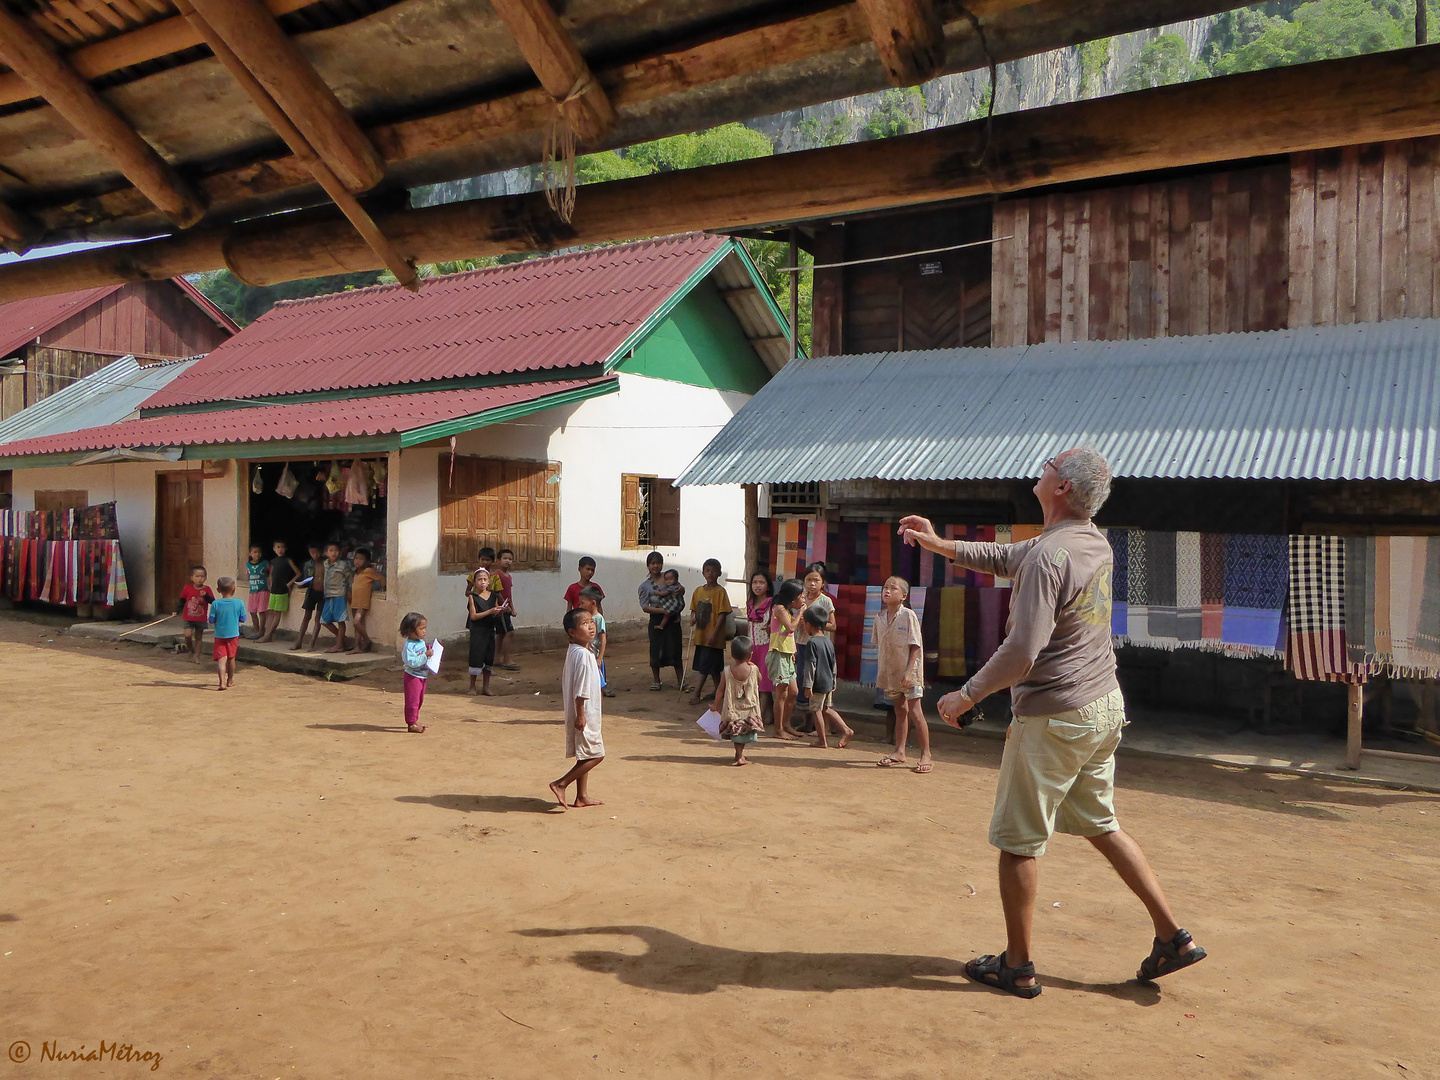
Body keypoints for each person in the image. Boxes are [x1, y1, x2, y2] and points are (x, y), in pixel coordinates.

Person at [900, 447, 1207, 998]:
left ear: (1061, 486)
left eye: (1048, 465)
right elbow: (1006, 558)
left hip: (1056, 714)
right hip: (1102, 706)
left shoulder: (1048, 557)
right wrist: (939, 542)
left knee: (1018, 841)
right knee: (1101, 824)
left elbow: (1022, 652)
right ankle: (1173, 937)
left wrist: (964, 697)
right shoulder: (1089, 542)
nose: (1039, 470)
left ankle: (1017, 966)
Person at [873, 575, 934, 773]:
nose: (887, 591)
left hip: (910, 672)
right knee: (900, 710)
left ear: (904, 596)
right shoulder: (879, 618)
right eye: (885, 587)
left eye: (893, 588)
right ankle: (900, 751)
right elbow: (880, 645)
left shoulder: (908, 616)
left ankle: (926, 754)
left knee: (916, 711)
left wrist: (909, 672)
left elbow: (916, 646)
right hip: (891, 673)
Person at [549, 608, 605, 810]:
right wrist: (581, 715)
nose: (591, 626)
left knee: (585, 754)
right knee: (597, 754)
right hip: (585, 711)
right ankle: (561, 783)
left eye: (592, 622)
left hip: (585, 710)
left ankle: (581, 796)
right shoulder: (582, 655)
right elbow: (581, 688)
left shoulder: (577, 650)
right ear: (572, 632)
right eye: (584, 623)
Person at [796, 604, 853, 749]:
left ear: (808, 625)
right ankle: (846, 729)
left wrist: (808, 685)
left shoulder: (812, 643)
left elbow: (810, 665)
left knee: (816, 710)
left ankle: (822, 741)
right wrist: (833, 682)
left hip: (817, 683)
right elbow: (833, 663)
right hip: (827, 681)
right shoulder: (828, 642)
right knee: (826, 708)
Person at [792, 565, 835, 731]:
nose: (812, 583)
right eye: (808, 579)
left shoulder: (826, 601)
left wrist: (815, 624)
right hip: (802, 644)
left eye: (816, 580)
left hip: (819, 647)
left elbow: (833, 625)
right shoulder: (801, 599)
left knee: (818, 685)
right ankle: (808, 723)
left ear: (823, 582)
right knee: (804, 683)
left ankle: (825, 726)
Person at [687, 558, 732, 706]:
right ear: (703, 573)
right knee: (713, 667)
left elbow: (722, 614)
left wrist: (714, 632)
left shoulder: (720, 592)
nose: (710, 573)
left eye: (713, 570)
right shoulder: (698, 591)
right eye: (707, 570)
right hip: (701, 635)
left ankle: (696, 693)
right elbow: (693, 609)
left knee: (705, 666)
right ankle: (720, 691)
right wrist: (693, 618)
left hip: (714, 637)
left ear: (719, 573)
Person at [638, 552, 685, 692]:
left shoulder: (670, 577)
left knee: (676, 648)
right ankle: (656, 680)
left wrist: (682, 590)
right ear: (648, 566)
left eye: (658, 563)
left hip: (673, 618)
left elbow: (680, 591)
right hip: (657, 618)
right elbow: (645, 607)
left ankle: (680, 681)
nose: (655, 566)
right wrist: (662, 611)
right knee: (656, 648)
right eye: (652, 563)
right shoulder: (644, 586)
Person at [767, 578, 806, 740]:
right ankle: (778, 729)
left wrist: (794, 651)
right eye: (802, 597)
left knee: (793, 692)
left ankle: (787, 724)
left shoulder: (788, 611)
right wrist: (801, 613)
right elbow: (790, 628)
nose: (803, 600)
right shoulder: (780, 609)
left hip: (788, 654)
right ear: (793, 597)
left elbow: (789, 634)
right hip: (779, 654)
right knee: (781, 693)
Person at [715, 636, 764, 765]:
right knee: (743, 733)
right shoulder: (754, 669)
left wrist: (715, 705)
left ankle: (739, 754)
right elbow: (759, 679)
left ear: (732, 654)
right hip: (749, 708)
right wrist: (754, 667)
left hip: (733, 709)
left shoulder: (727, 671)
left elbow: (720, 690)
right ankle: (740, 755)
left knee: (737, 733)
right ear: (751, 655)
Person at [466, 570, 504, 697]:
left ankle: (486, 687)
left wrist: (499, 611)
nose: (482, 582)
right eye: (479, 579)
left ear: (489, 582)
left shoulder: (493, 596)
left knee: (488, 657)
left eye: (484, 579)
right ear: (475, 582)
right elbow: (473, 616)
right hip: (478, 631)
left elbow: (495, 611)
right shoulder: (472, 597)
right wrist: (490, 611)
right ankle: (472, 686)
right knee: (476, 657)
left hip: (489, 630)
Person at [746, 571, 776, 730]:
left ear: (767, 585)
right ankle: (768, 713)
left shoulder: (772, 603)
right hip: (752, 646)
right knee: (754, 683)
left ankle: (759, 717)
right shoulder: (750, 603)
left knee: (764, 685)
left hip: (765, 645)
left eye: (761, 582)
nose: (758, 586)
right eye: (755, 582)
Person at [207, 576, 247, 690]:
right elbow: (243, 618)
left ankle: (222, 683)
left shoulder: (215, 604)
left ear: (218, 590)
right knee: (231, 658)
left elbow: (211, 620)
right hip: (233, 634)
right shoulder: (239, 603)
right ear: (234, 589)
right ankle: (230, 680)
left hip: (219, 635)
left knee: (221, 659)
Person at [257, 539, 299, 644]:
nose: (280, 550)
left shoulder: (288, 560)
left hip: (282, 591)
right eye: (278, 547)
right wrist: (270, 585)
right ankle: (267, 634)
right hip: (273, 590)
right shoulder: (273, 561)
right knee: (270, 612)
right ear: (274, 549)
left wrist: (289, 584)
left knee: (277, 614)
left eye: (282, 547)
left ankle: (269, 635)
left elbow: (298, 573)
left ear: (285, 549)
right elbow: (271, 574)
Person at [577, 584, 615, 698]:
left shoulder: (599, 619)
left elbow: (603, 639)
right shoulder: (583, 618)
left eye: (582, 602)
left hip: (595, 654)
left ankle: (603, 689)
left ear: (593, 603)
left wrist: (600, 657)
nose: (579, 605)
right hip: (587, 653)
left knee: (598, 673)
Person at [399, 611, 431, 733]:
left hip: (422, 675)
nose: (424, 631)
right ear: (410, 631)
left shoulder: (421, 642)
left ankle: (415, 719)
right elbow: (412, 662)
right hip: (412, 677)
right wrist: (425, 656)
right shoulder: (409, 646)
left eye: (425, 628)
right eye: (421, 628)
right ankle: (411, 723)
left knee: (419, 699)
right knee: (412, 700)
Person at [348, 548, 385, 654]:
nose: (357, 561)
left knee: (356, 622)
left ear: (367, 561)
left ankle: (368, 641)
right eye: (356, 558)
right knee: (357, 626)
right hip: (354, 601)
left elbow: (382, 579)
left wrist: (384, 588)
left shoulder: (368, 571)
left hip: (362, 602)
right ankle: (357, 647)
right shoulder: (355, 573)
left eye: (361, 559)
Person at [291, 542, 326, 652]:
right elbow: (305, 578)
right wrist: (301, 584)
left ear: (321, 552)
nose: (315, 555)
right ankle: (299, 641)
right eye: (312, 553)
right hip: (312, 592)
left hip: (323, 594)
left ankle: (312, 643)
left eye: (317, 552)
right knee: (306, 617)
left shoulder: (327, 564)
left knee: (318, 619)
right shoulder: (308, 564)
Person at [319, 541, 353, 654]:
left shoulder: (342, 565)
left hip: (339, 594)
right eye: (331, 551)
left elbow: (350, 578)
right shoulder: (324, 564)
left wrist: (349, 591)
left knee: (340, 620)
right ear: (326, 553)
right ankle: (343, 639)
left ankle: (339, 645)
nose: (334, 553)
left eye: (336, 551)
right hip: (328, 595)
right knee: (324, 620)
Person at [176, 565, 214, 664]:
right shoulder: (187, 588)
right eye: (197, 576)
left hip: (201, 618)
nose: (199, 579)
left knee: (198, 638)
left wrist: (206, 596)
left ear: (205, 578)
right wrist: (177, 611)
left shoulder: (207, 589)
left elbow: (213, 602)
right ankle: (190, 650)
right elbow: (182, 601)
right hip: (188, 617)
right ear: (192, 578)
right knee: (187, 635)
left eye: (202, 576)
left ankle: (197, 656)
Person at [495, 547, 520, 670]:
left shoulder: (508, 576)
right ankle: (506, 660)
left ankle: (496, 659)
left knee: (500, 633)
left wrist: (512, 608)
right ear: (498, 560)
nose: (508, 561)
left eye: (510, 559)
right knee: (509, 632)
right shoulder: (496, 575)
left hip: (507, 608)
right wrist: (507, 608)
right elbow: (497, 593)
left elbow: (509, 595)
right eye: (505, 558)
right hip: (501, 609)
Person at [243, 544, 269, 639]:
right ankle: (257, 630)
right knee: (252, 612)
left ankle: (261, 631)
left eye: (259, 552)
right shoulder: (248, 565)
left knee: (262, 611)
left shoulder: (265, 563)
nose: (257, 554)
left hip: (263, 590)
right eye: (254, 552)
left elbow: (270, 574)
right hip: (252, 591)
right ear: (250, 553)